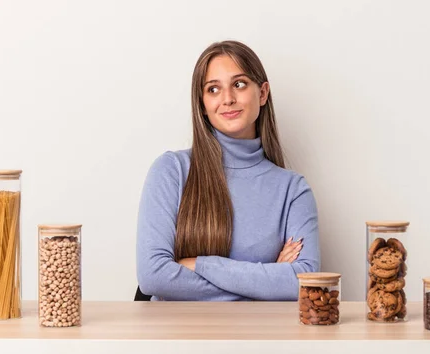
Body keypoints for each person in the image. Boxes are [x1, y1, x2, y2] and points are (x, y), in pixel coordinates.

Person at [136, 40, 320, 301]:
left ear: (263, 93)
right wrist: (267, 281)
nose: (228, 99)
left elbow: (304, 283)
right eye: (213, 89)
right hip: (175, 337)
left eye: (239, 84)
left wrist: (200, 264)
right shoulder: (172, 171)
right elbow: (153, 276)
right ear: (202, 104)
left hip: (259, 339)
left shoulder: (293, 190)